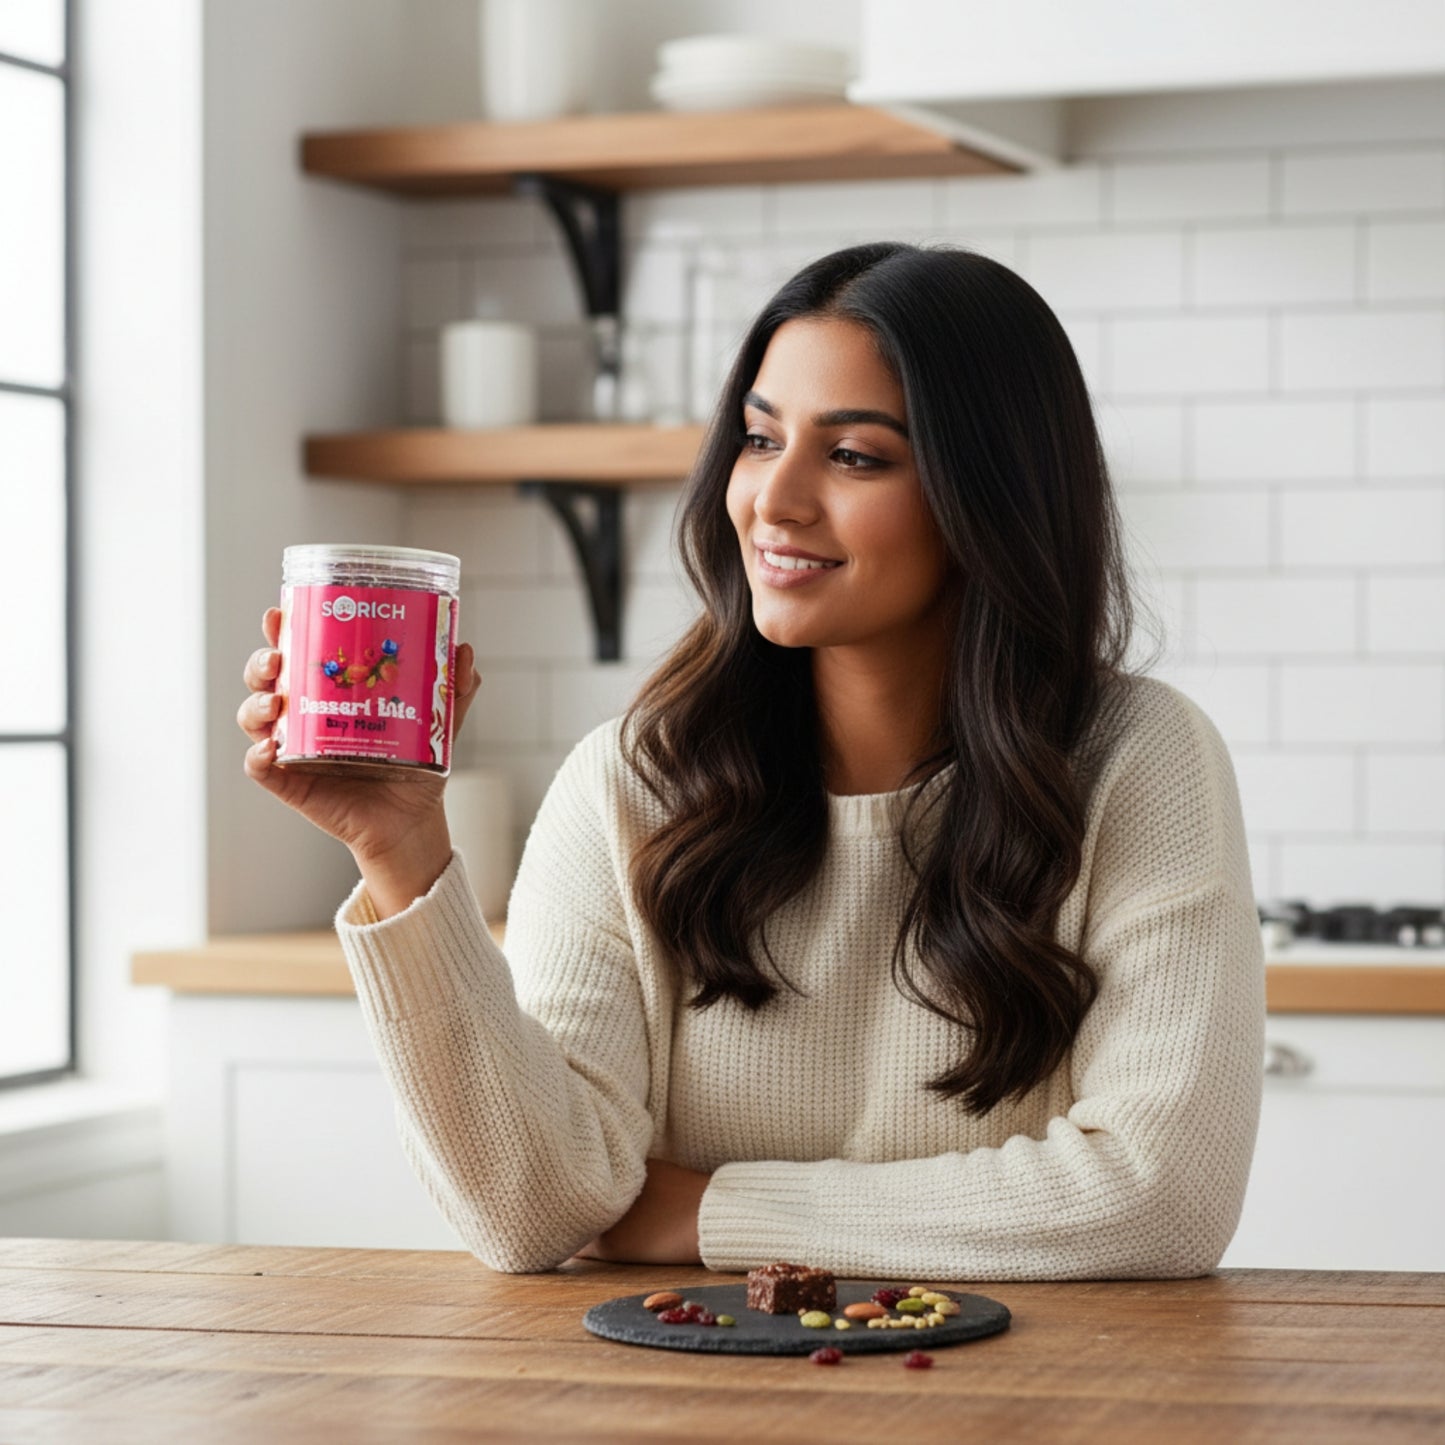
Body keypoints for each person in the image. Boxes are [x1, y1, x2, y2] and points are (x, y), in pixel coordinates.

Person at [238, 242, 1264, 1280]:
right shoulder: (628, 784)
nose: (774, 500)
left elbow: (1160, 1197)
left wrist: (705, 1210)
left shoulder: (1138, 758)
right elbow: (535, 1208)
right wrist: (402, 852)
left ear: (989, 494)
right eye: (760, 438)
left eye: (853, 455)